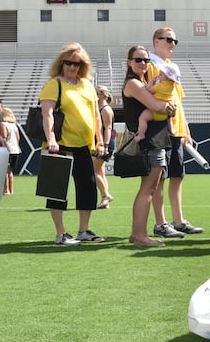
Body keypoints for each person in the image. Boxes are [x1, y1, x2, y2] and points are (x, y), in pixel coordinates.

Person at [40, 42, 105, 245]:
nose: (72, 67)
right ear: (61, 63)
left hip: (84, 146)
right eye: (68, 62)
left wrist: (100, 140)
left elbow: (96, 115)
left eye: (76, 63)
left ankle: (84, 230)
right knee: (56, 190)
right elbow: (47, 113)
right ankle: (61, 234)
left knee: (87, 187)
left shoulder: (87, 85)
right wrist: (51, 139)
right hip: (59, 145)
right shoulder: (54, 84)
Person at [147, 28, 203, 240]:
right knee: (159, 179)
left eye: (175, 40)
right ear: (156, 41)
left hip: (176, 129)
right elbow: (148, 94)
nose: (172, 43)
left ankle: (178, 221)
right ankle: (161, 223)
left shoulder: (172, 67)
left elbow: (178, 100)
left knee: (177, 176)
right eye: (168, 39)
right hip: (160, 127)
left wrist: (185, 127)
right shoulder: (150, 65)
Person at [121, 45, 177, 247]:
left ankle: (138, 233)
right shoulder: (134, 84)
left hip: (155, 139)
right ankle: (140, 235)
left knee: (149, 188)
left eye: (146, 60)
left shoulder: (143, 82)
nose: (143, 64)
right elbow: (157, 106)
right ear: (129, 62)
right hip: (150, 141)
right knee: (149, 189)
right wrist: (168, 107)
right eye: (138, 60)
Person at [94, 85, 115, 209]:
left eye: (97, 92)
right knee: (100, 172)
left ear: (104, 95)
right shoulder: (99, 108)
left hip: (105, 143)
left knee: (93, 171)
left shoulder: (106, 110)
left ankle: (106, 195)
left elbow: (108, 129)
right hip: (100, 142)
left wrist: (105, 145)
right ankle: (104, 200)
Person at [0, 99, 20, 195]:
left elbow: (3, 137)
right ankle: (11, 190)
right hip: (15, 150)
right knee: (10, 171)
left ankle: (6, 190)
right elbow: (18, 138)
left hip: (7, 150)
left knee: (4, 171)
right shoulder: (14, 125)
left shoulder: (3, 124)